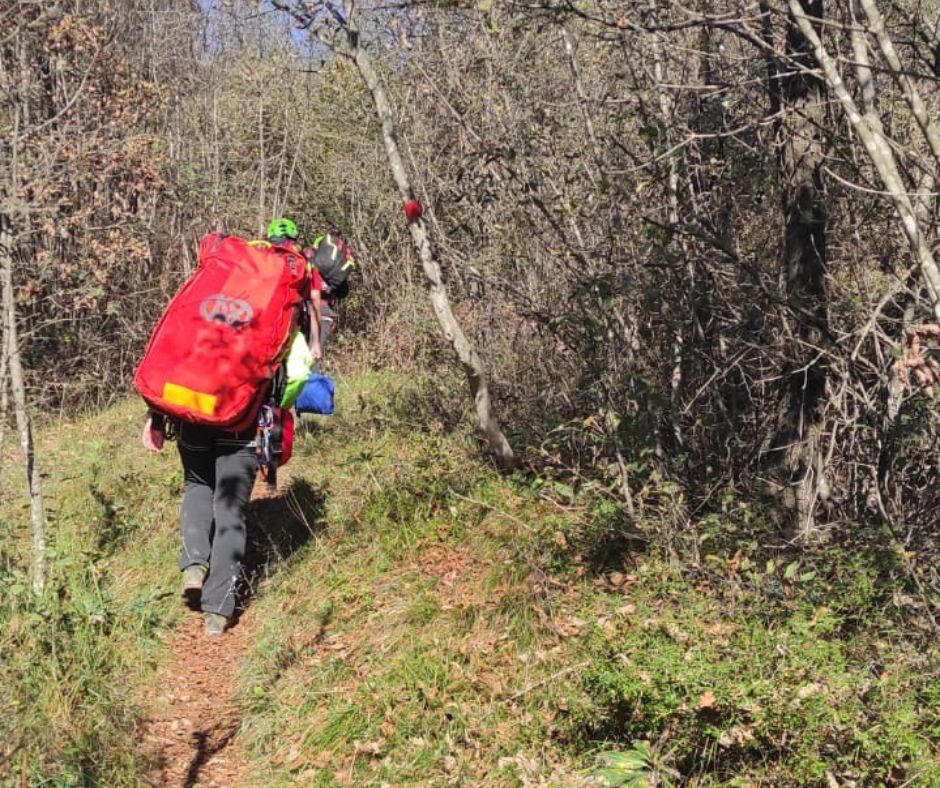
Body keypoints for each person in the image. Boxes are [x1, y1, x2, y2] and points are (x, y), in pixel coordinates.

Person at [142, 218, 316, 635]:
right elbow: (297, 375)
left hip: (192, 416)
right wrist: (278, 407)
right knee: (232, 509)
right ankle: (219, 611)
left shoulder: (213, 295)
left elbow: (177, 352)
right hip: (242, 421)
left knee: (197, 486)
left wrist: (156, 414)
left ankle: (193, 565)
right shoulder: (283, 308)